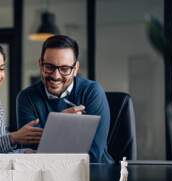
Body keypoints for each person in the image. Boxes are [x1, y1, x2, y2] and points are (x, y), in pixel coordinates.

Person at [16, 35, 113, 163]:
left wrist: (50, 135)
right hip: (45, 174)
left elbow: (93, 155)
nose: (56, 76)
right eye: (49, 67)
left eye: (64, 69)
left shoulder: (92, 92)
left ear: (75, 68)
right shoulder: (26, 97)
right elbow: (33, 154)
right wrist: (60, 125)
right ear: (40, 64)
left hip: (94, 173)